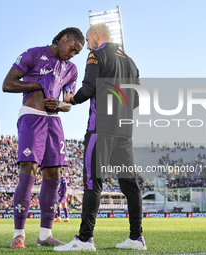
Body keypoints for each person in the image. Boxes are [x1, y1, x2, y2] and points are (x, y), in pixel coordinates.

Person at [54, 23, 146, 251]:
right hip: (124, 133)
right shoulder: (130, 62)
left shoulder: (97, 55)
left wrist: (70, 99)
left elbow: (87, 88)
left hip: (100, 130)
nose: (87, 47)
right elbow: (136, 100)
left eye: (88, 40)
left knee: (92, 182)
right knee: (131, 186)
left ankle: (85, 239)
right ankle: (136, 238)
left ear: (96, 36)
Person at [2, 27, 84, 249]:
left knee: (54, 174)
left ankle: (45, 235)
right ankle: (19, 234)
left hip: (54, 121)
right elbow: (7, 84)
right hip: (31, 117)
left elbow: (68, 102)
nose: (73, 54)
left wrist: (58, 104)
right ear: (63, 38)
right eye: (73, 48)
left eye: (77, 52)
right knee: (28, 171)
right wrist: (38, 85)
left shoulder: (72, 70)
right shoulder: (34, 54)